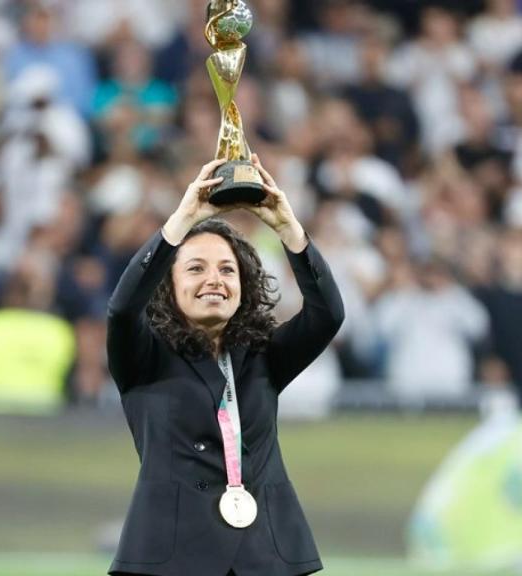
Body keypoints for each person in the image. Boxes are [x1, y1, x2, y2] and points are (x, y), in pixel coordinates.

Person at [106, 155, 344, 576]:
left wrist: (288, 227)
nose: (214, 279)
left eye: (227, 270)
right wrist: (183, 219)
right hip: (173, 557)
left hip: (266, 556)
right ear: (170, 288)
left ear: (243, 286)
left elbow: (327, 315)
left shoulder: (263, 356)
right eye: (195, 269)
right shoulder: (143, 357)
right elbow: (124, 310)